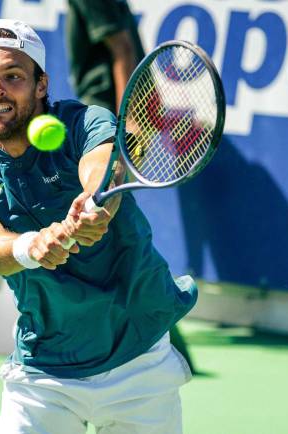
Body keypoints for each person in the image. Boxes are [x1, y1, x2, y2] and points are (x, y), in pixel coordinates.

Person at [0, 19, 197, 433]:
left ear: (42, 85)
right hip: (44, 376)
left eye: (14, 76)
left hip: (140, 362)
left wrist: (97, 202)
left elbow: (102, 165)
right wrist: (31, 247)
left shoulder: (85, 122)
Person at [66, 0, 196, 372]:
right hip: (116, 115)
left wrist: (127, 121)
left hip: (107, 119)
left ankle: (157, 325)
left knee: (114, 231)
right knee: (114, 229)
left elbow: (122, 47)